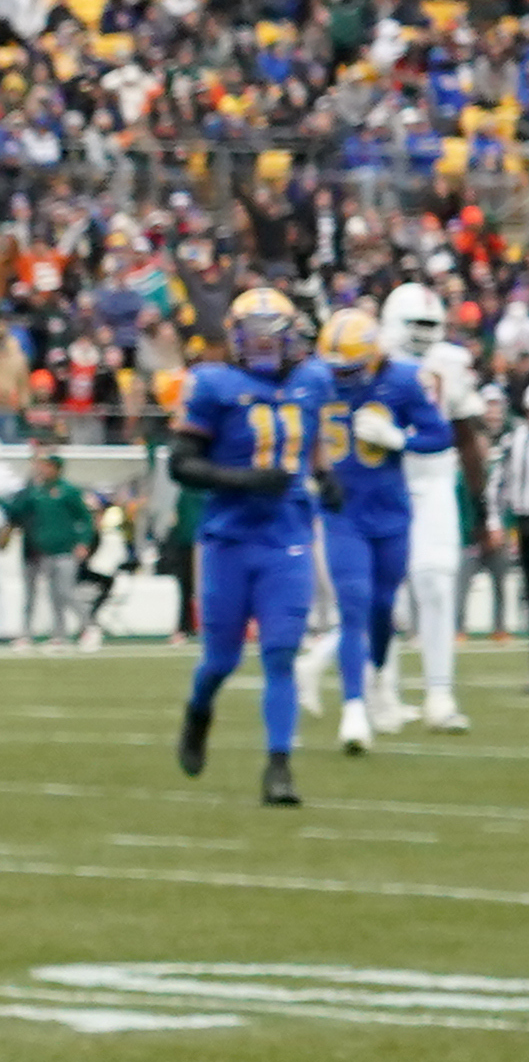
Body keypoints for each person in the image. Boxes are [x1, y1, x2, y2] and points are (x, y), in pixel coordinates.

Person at [171, 288, 328, 805]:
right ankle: (199, 711)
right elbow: (181, 464)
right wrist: (241, 479)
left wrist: (326, 477)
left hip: (286, 538)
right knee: (221, 658)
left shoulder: (312, 381)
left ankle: (278, 767)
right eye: (253, 336)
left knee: (281, 654)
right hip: (229, 539)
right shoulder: (211, 384)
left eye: (272, 336)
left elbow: (315, 438)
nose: (262, 347)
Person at [309, 304, 452, 757]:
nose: (342, 376)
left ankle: (375, 679)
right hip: (342, 511)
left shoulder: (403, 379)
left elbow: (440, 435)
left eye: (351, 366)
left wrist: (399, 439)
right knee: (353, 607)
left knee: (383, 608)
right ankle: (354, 709)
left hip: (390, 511)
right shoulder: (315, 380)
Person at [376, 281, 490, 733]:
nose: (422, 334)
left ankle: (439, 693)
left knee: (436, 582)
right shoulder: (370, 355)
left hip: (436, 478)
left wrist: (481, 506)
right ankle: (383, 690)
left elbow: (466, 433)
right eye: (414, 324)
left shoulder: (451, 363)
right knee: (388, 595)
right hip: (384, 481)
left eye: (430, 324)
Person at [0, 451, 100, 652]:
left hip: (65, 550)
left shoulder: (68, 491)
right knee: (54, 595)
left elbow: (85, 518)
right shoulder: (37, 491)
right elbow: (17, 510)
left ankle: (90, 626)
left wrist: (83, 542)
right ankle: (59, 635)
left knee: (66, 591)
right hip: (46, 551)